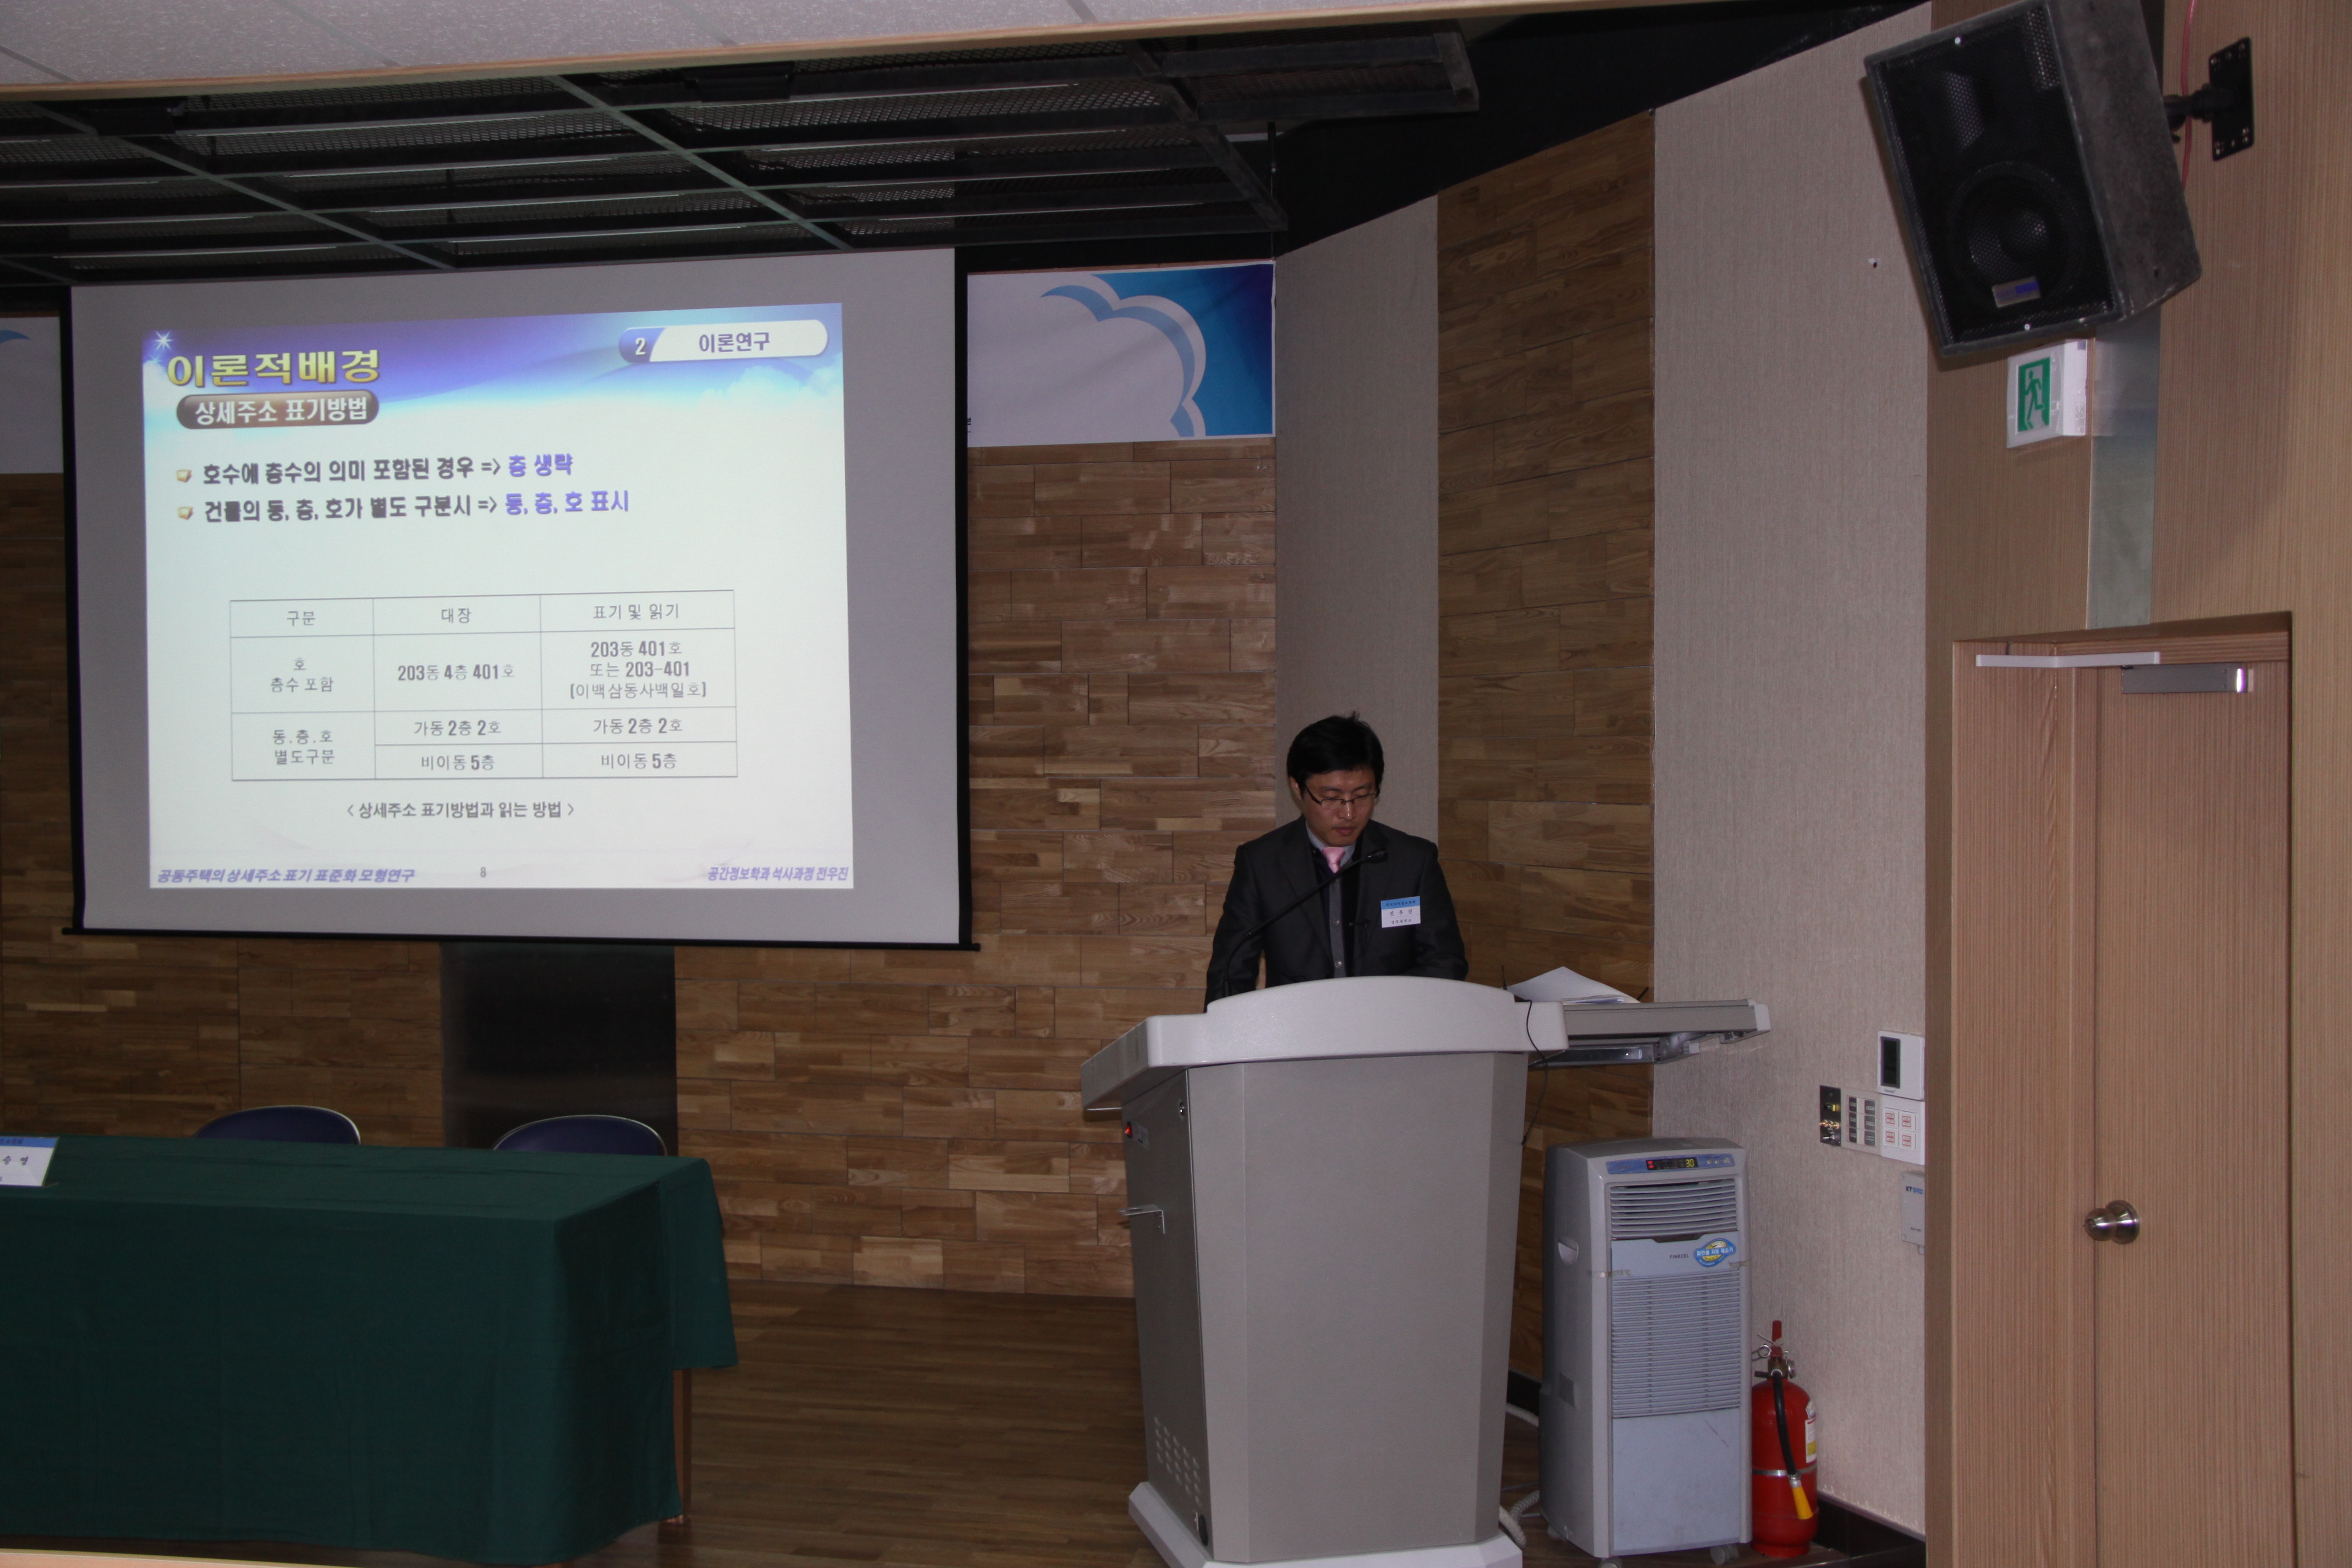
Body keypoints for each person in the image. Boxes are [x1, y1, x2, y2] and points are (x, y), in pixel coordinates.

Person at [1203, 713, 1468, 1005]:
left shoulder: (1412, 861)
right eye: (1331, 798)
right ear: (1298, 788)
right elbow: (1231, 973)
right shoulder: (1262, 863)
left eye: (1362, 796)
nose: (1348, 813)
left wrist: (1387, 1013)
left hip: (1391, 1024)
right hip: (1297, 1026)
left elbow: (1444, 962)